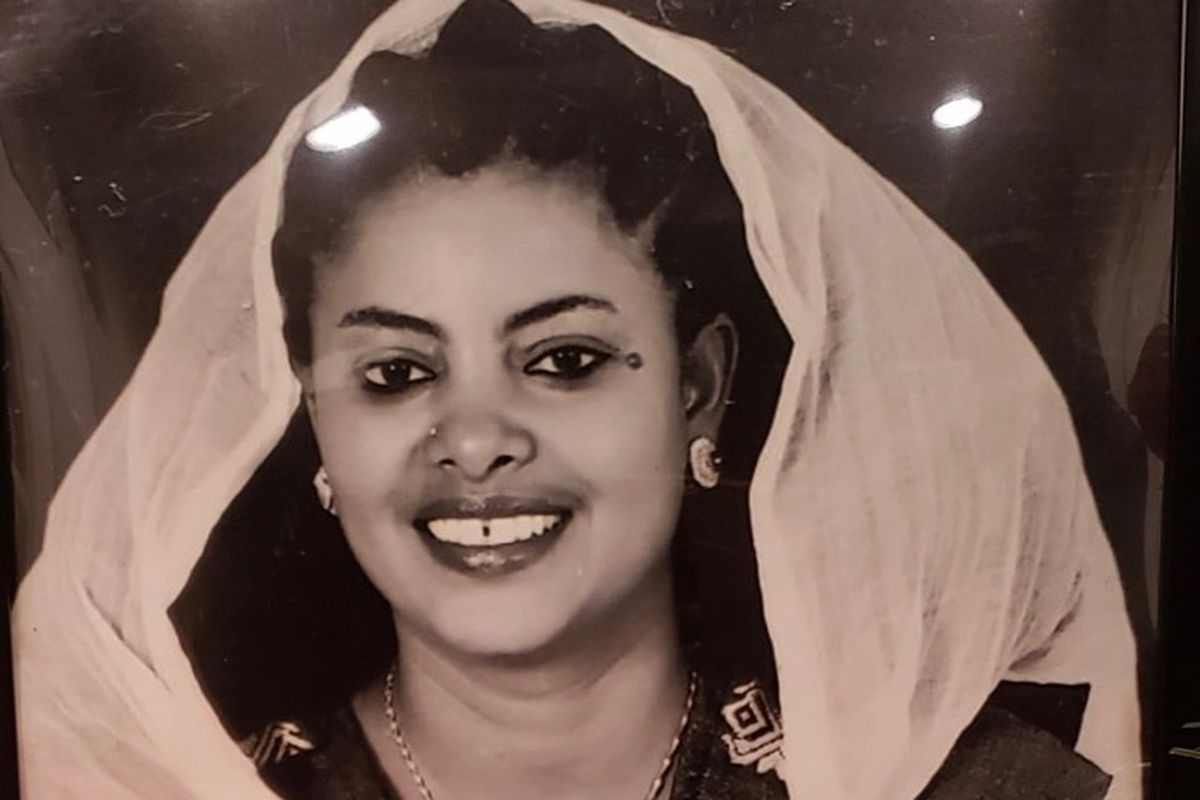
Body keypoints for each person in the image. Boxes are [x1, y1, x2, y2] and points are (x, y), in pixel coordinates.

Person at [11, 0, 1142, 798]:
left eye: (564, 358)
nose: (475, 439)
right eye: (396, 372)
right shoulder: (168, 783)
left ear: (700, 388)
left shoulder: (949, 783)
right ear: (315, 422)